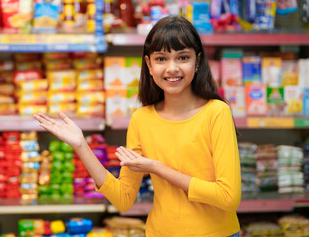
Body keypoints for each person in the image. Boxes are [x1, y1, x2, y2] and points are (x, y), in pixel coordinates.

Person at [34, 16, 241, 237]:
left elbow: (228, 197)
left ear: (197, 62)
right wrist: (81, 145)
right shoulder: (142, 119)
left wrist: (158, 168)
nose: (172, 68)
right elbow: (123, 199)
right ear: (149, 65)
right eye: (161, 59)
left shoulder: (216, 112)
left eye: (182, 57)